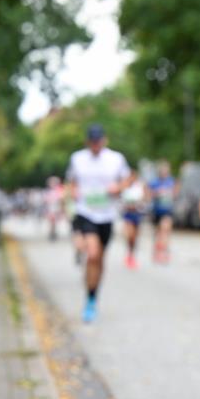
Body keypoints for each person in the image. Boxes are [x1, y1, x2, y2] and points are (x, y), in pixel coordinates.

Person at [65, 124, 133, 323]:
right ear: (87, 142)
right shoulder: (77, 159)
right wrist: (73, 193)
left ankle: (92, 295)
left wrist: (118, 187)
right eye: (92, 141)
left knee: (99, 260)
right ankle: (89, 298)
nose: (95, 145)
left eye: (98, 141)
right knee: (93, 254)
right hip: (86, 213)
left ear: (104, 140)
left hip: (107, 215)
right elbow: (71, 182)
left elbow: (128, 179)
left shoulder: (116, 159)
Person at [148, 161, 179, 264]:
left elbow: (175, 193)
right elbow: (148, 194)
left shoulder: (171, 181)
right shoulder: (155, 182)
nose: (164, 171)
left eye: (166, 169)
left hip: (167, 210)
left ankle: (165, 252)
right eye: (163, 169)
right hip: (157, 210)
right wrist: (157, 193)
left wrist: (171, 193)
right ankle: (157, 251)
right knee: (158, 232)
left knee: (165, 230)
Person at [120, 177, 146, 269]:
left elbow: (143, 200)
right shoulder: (124, 189)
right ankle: (129, 254)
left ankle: (131, 255)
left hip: (137, 215)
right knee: (130, 235)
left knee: (134, 238)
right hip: (128, 215)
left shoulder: (138, 188)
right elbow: (121, 202)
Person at [44, 176, 64, 241]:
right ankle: (52, 233)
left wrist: (61, 209)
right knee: (52, 222)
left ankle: (53, 233)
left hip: (56, 208)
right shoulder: (48, 191)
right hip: (50, 208)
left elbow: (61, 200)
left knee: (54, 222)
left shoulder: (59, 190)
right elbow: (46, 201)